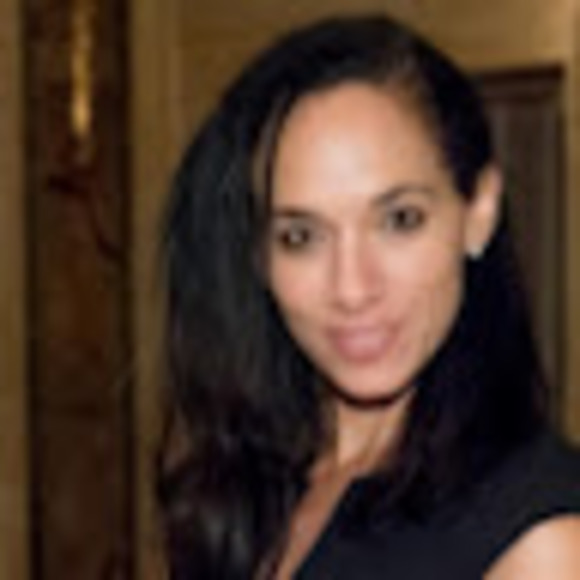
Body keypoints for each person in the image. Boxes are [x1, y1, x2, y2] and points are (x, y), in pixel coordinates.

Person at [158, 14, 580, 580]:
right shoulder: (251, 489)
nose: (353, 288)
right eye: (301, 237)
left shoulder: (545, 541)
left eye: (399, 220)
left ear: (478, 212)